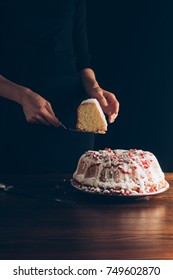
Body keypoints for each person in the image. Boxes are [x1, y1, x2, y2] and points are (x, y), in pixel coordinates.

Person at [0, 0, 119, 173]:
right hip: (15, 116)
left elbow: (83, 62)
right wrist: (23, 96)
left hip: (72, 119)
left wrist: (95, 89)